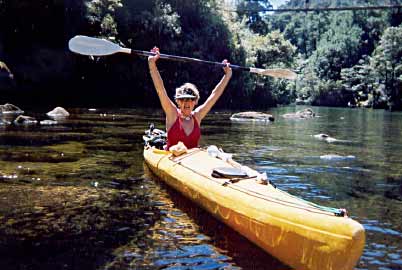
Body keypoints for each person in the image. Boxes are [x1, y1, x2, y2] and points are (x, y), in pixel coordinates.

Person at [148, 47, 232, 150]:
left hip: (192, 159)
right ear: (178, 101)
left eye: (190, 99)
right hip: (171, 159)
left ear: (195, 101)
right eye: (183, 99)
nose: (186, 102)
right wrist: (152, 65)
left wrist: (227, 75)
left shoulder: (198, 116)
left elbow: (214, 95)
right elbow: (160, 90)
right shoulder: (172, 113)